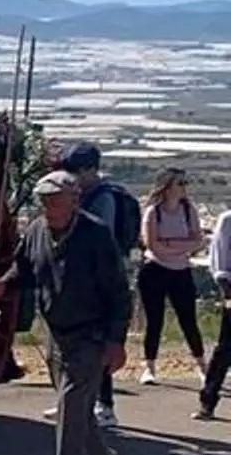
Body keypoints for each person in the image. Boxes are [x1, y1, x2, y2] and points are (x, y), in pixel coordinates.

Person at [0, 171, 129, 455]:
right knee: (76, 409)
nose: (48, 205)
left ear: (74, 199)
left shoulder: (95, 234)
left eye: (54, 199)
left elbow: (119, 293)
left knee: (70, 406)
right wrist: (1, 284)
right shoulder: (36, 231)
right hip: (57, 333)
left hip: (91, 334)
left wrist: (115, 341)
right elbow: (23, 269)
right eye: (44, 200)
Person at [55, 143, 123, 428]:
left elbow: (100, 240)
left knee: (96, 345)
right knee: (68, 345)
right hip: (76, 277)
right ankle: (71, 401)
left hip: (97, 280)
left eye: (75, 172)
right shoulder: (83, 194)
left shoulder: (103, 199)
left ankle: (104, 405)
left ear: (90, 170)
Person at [136, 168, 207, 385]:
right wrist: (181, 246)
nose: (185, 187)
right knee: (154, 320)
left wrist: (171, 245)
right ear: (167, 188)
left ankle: (203, 366)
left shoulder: (189, 210)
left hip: (181, 271)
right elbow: (152, 245)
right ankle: (149, 366)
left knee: (189, 320)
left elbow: (199, 241)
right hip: (155, 270)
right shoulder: (153, 212)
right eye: (180, 183)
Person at [194, 207, 231, 420]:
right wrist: (226, 291)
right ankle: (208, 400)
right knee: (226, 348)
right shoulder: (227, 220)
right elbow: (218, 261)